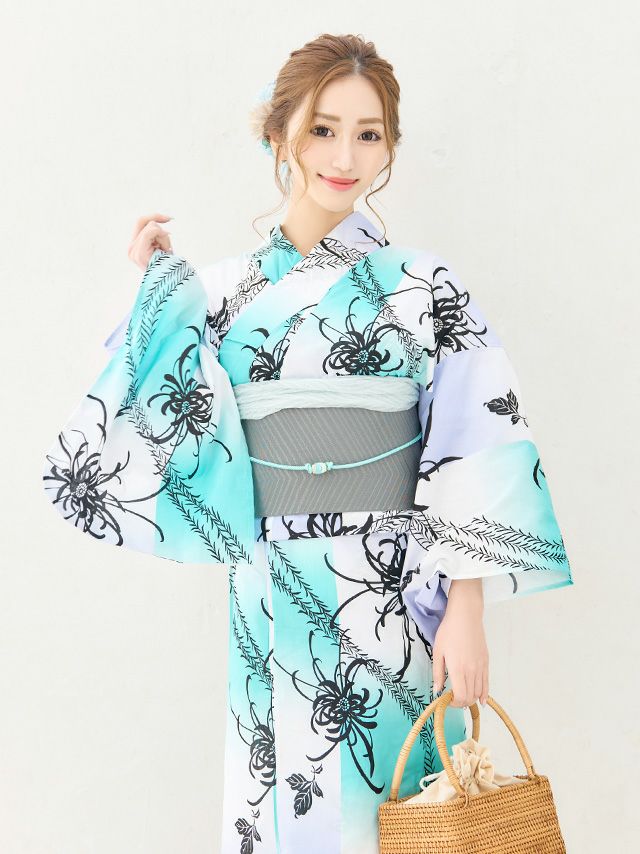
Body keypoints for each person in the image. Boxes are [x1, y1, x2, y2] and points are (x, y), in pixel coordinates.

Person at [42, 32, 573, 854]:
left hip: (392, 590)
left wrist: (467, 607)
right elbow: (155, 417)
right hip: (270, 585)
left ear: (389, 147)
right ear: (277, 133)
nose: (345, 156)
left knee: (405, 818)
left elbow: (476, 436)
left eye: (369, 134)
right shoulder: (220, 291)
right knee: (280, 816)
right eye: (323, 129)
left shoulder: (424, 284)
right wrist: (160, 293)